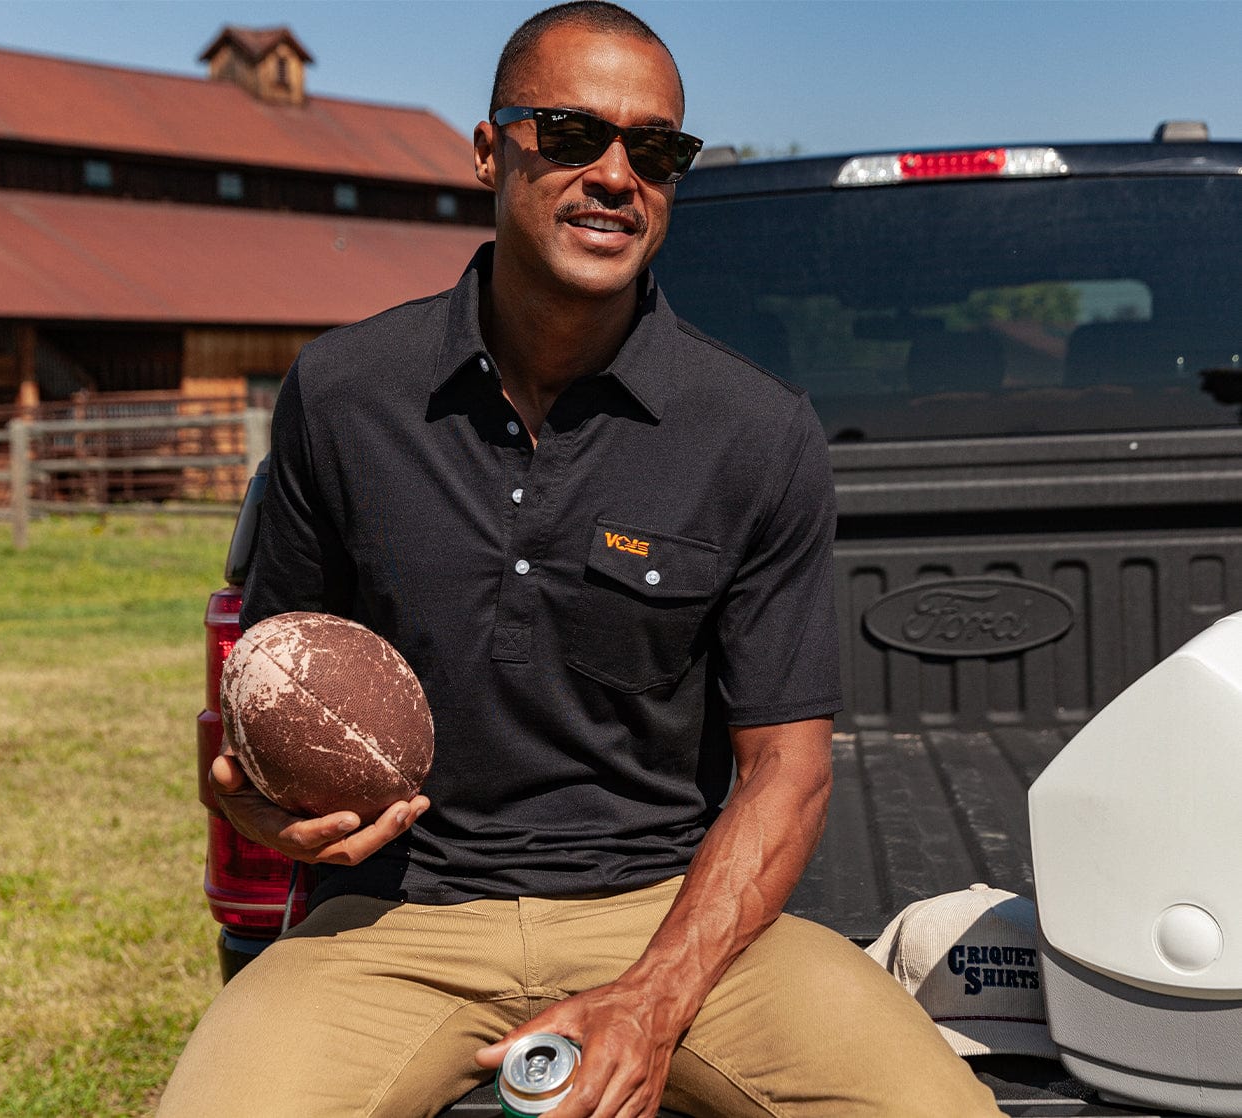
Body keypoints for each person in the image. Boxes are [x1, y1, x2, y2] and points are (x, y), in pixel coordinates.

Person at [159, 4, 1004, 1116]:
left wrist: (651, 999)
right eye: (568, 134)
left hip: (667, 912)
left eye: (654, 150)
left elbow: (784, 771)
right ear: (488, 149)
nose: (614, 174)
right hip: (394, 920)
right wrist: (260, 805)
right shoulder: (345, 392)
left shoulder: (754, 429)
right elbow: (275, 679)